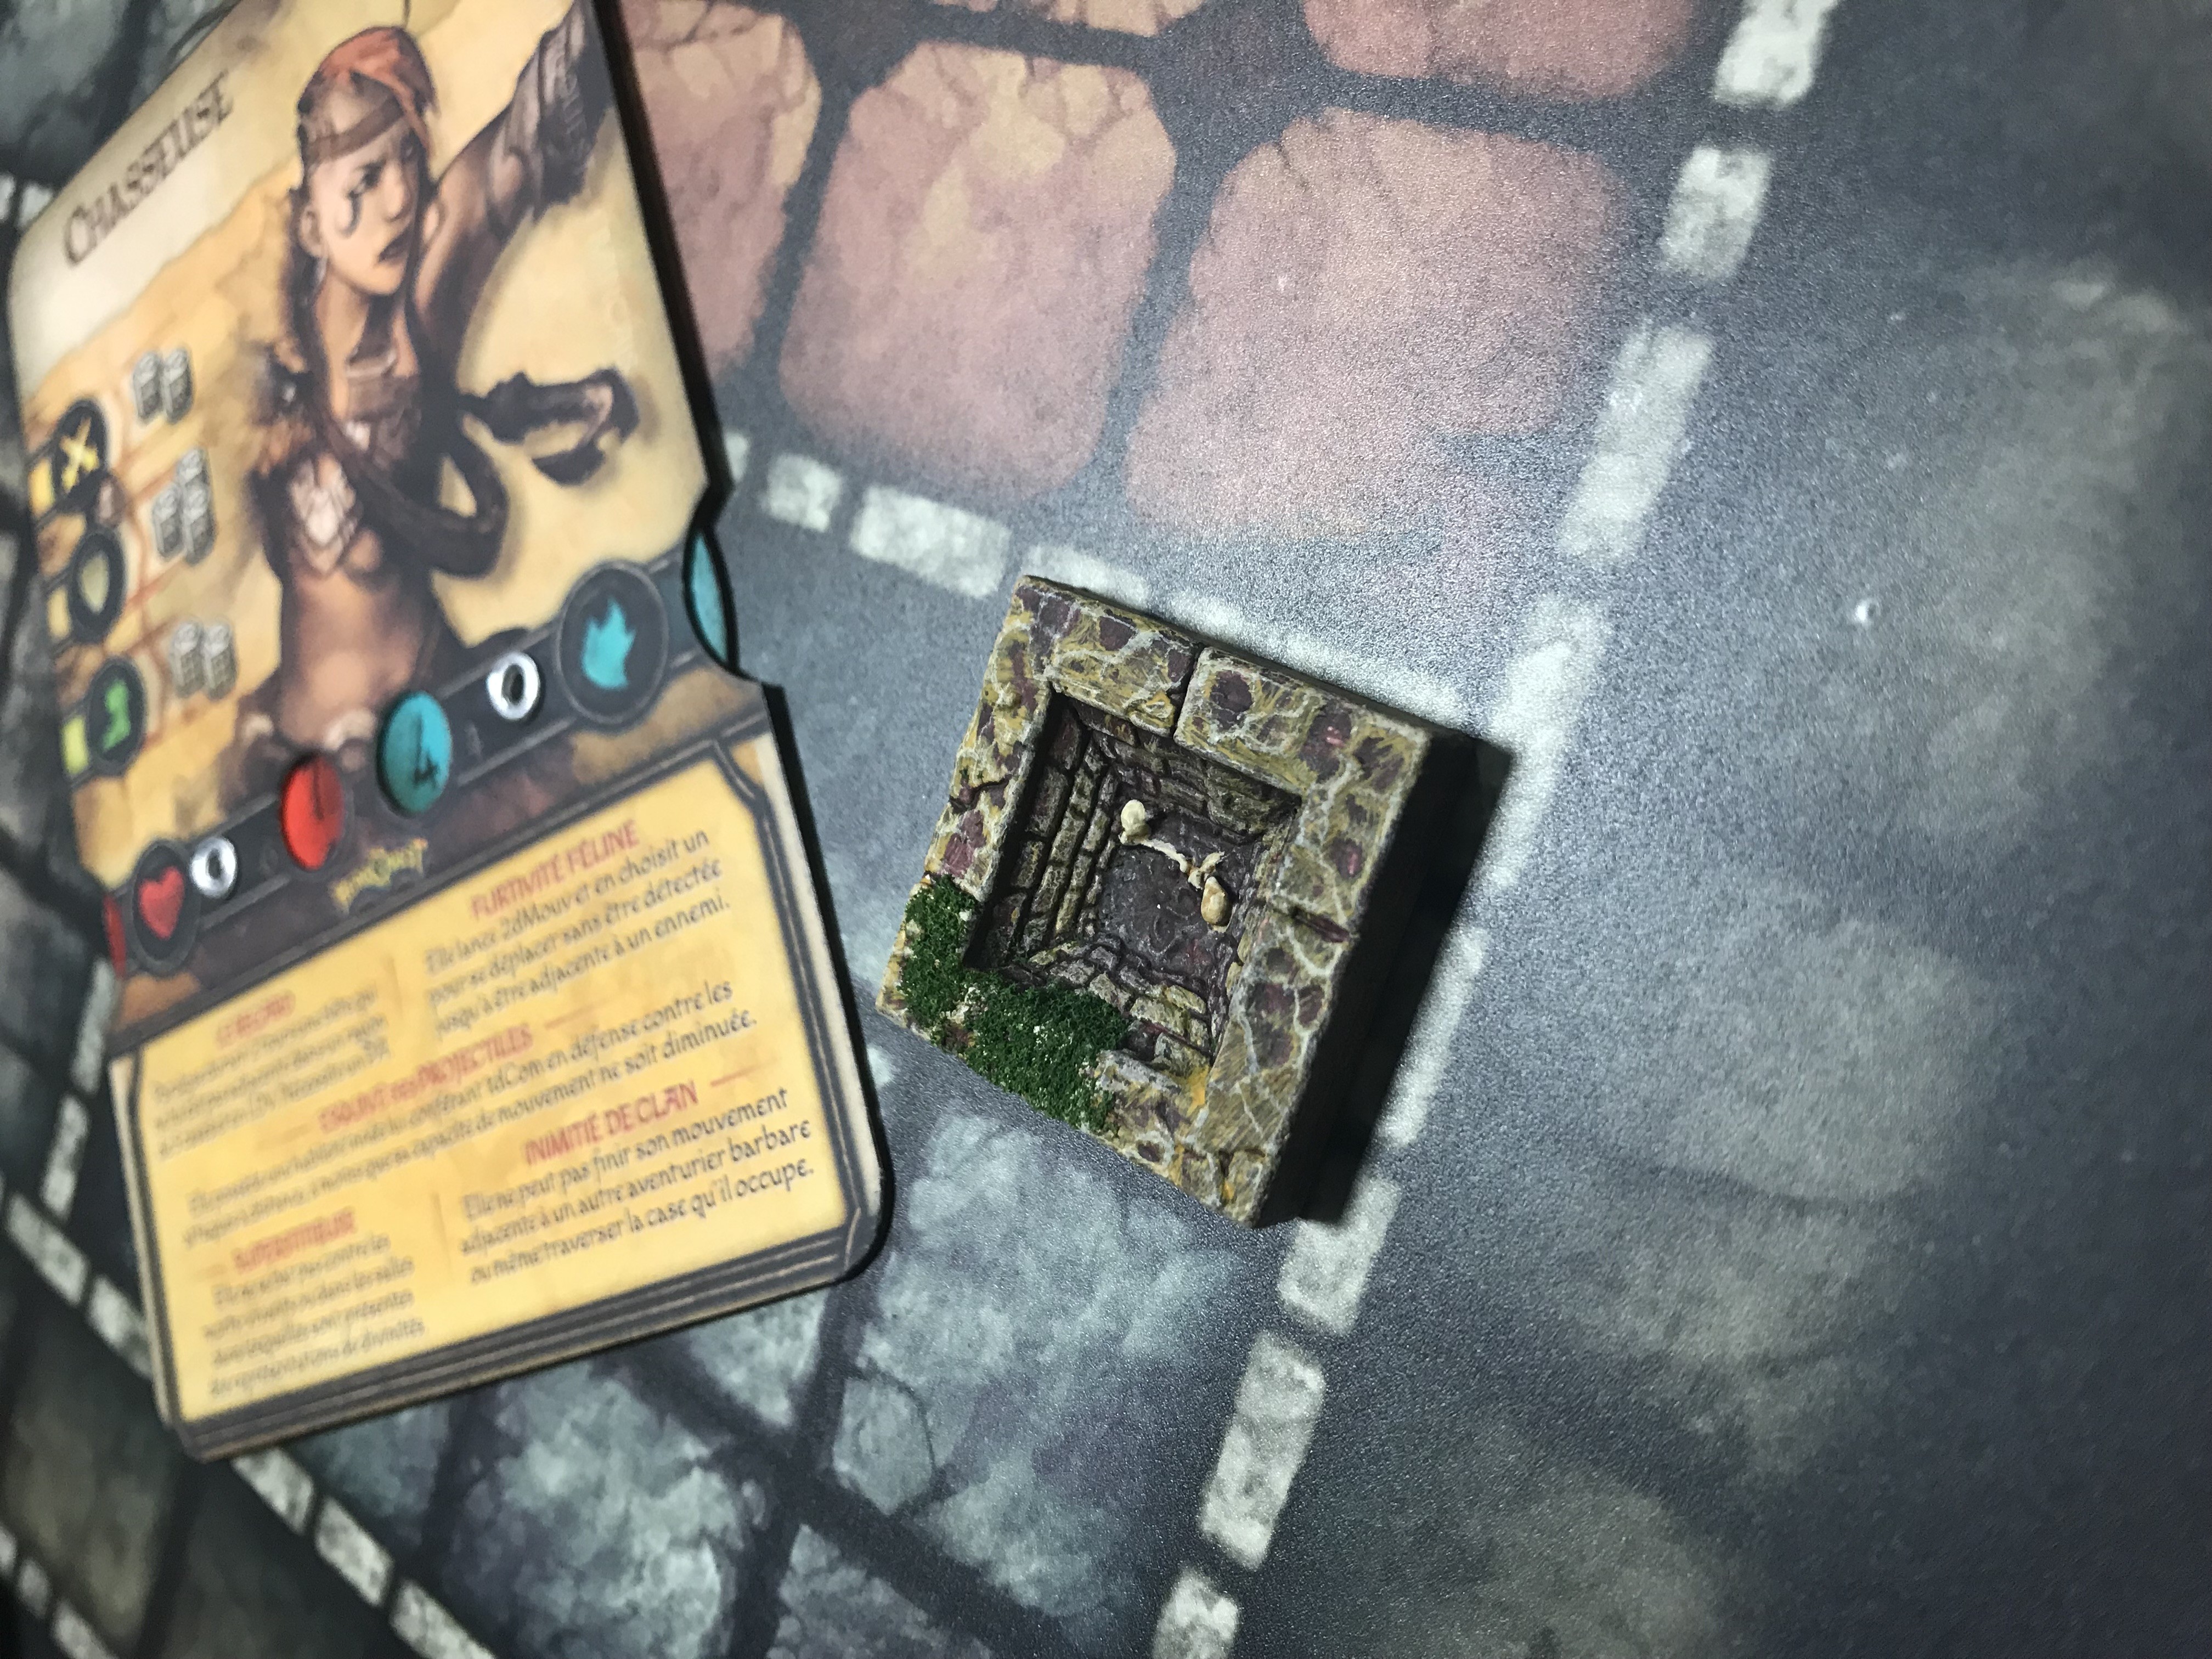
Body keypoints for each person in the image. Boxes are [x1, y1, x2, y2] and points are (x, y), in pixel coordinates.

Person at [219, 2, 633, 808]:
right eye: (365, 180)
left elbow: (525, 137)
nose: (401, 198)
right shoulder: (267, 364)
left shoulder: (420, 319)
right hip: (288, 777)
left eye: (409, 158)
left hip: (426, 757)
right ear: (310, 224)